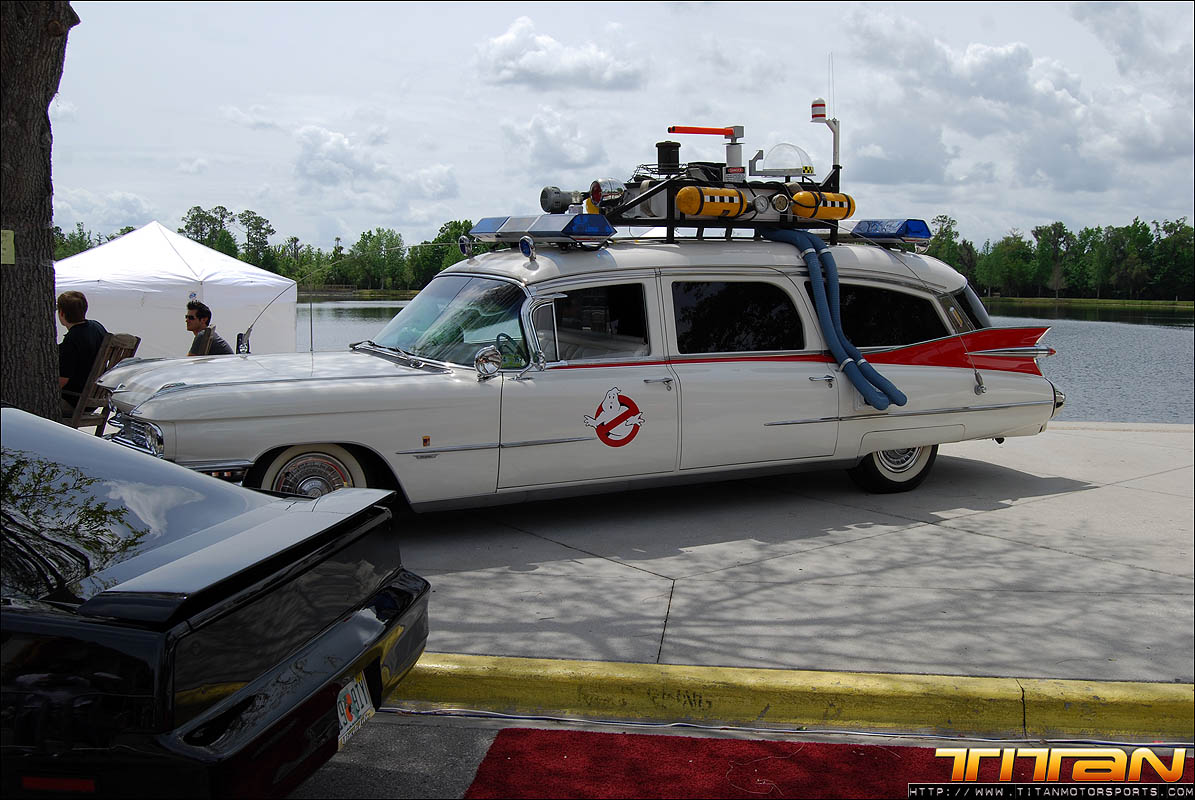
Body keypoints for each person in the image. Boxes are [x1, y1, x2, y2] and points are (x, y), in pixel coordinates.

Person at [57, 291, 109, 413]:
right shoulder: (97, 327)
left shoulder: (72, 339)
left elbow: (62, 380)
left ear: (62, 313)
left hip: (74, 401)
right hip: (95, 399)